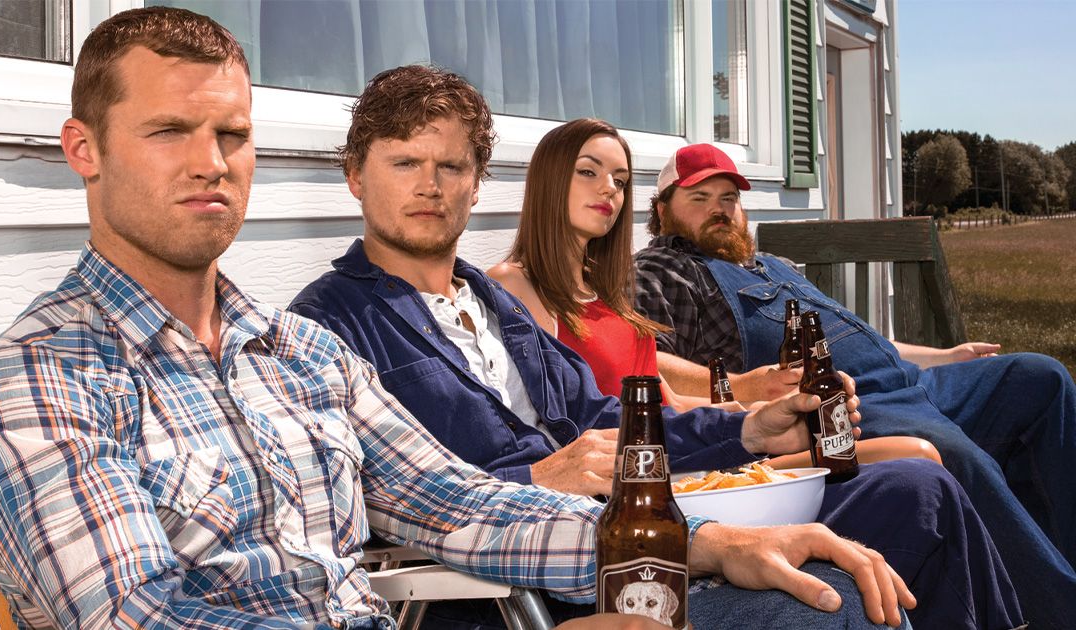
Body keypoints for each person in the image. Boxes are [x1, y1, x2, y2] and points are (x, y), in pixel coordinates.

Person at [0, 8, 911, 630]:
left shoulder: (298, 352)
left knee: (837, 587)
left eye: (233, 134)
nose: (212, 162)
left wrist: (691, 541)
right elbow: (140, 620)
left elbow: (456, 500)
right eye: (169, 132)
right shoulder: (41, 377)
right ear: (84, 148)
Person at [289, 65, 1021, 629]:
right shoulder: (327, 328)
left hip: (656, 511)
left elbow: (618, 420)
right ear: (356, 174)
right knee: (834, 602)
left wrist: (745, 426)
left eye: (451, 167)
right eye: (404, 163)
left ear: (477, 186)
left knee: (920, 492)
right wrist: (535, 477)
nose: (431, 186)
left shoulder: (491, 303)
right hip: (559, 581)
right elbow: (378, 507)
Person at [633, 142, 1076, 629]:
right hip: (853, 405)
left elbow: (858, 336)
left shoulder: (771, 264)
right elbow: (643, 355)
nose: (720, 208)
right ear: (662, 210)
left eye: (729, 198)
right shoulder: (667, 269)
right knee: (955, 454)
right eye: (700, 198)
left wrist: (942, 356)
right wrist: (744, 385)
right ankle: (1057, 610)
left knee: (1040, 378)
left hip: (918, 382)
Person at [487, 117, 941, 470]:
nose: (609, 188)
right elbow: (562, 425)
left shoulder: (606, 291)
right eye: (589, 171)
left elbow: (675, 403)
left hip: (691, 445)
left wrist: (766, 409)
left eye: (621, 180)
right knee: (914, 457)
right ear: (548, 181)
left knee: (915, 457)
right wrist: (745, 422)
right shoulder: (514, 285)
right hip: (656, 472)